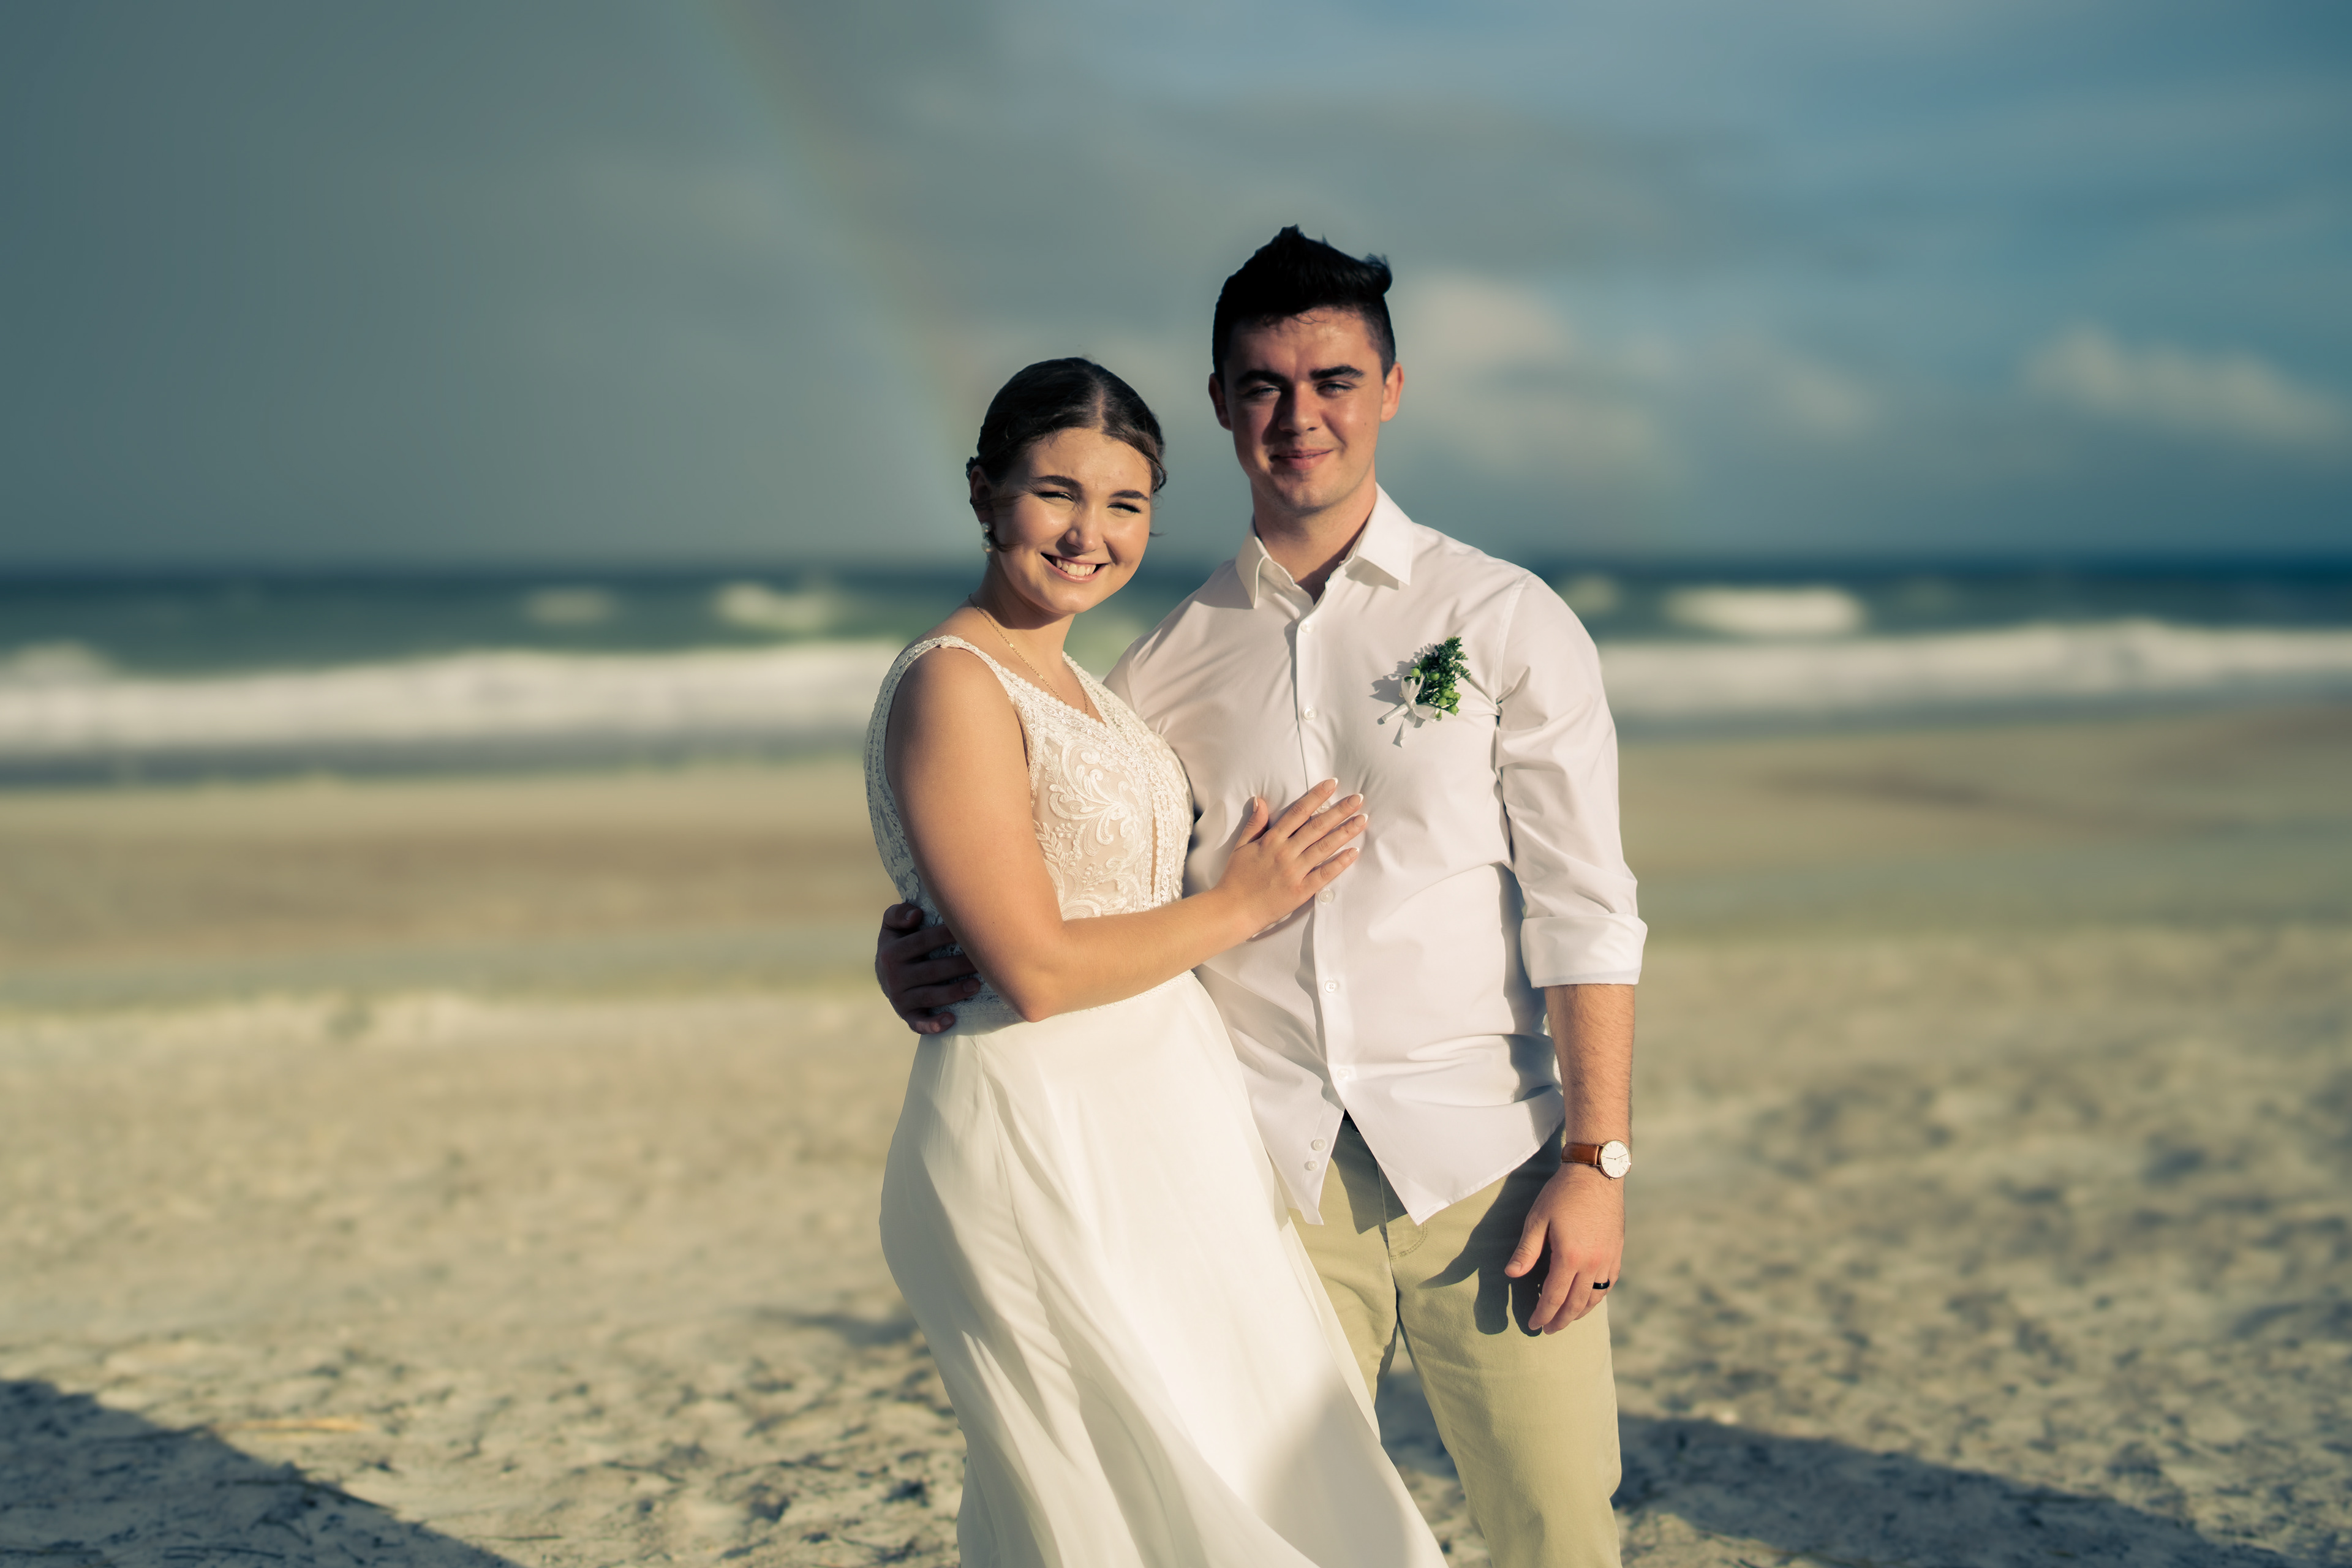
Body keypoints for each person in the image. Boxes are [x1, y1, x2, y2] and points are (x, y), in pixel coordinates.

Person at [877, 230, 1645, 1568]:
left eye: (1334, 380)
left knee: (1560, 1530)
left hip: (1488, 1165)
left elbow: (1584, 904)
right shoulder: (1157, 667)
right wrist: (921, 942)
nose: (1300, 416)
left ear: (1390, 389)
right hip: (1258, 1178)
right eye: (1264, 386)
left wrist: (1595, 1161)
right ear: (1224, 403)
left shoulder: (1506, 619)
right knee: (1281, 1533)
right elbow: (1067, 871)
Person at [865, 354, 1449, 1567]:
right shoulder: (954, 684)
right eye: (1056, 493)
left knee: (1254, 1459)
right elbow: (1035, 968)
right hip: (1040, 1131)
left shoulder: (1094, 688)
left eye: (1125, 504)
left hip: (1170, 1124)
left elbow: (1069, 887)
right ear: (984, 492)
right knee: (1135, 1499)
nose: (1091, 534)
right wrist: (1243, 904)